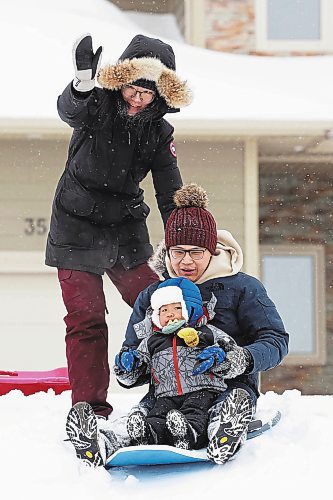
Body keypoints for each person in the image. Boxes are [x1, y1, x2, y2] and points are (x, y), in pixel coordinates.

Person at [66, 183, 288, 467]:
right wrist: (129, 367)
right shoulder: (153, 296)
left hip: (226, 389)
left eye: (196, 252)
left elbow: (275, 339)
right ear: (167, 251)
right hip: (166, 396)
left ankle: (225, 428)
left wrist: (240, 358)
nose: (186, 261)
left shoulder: (243, 288)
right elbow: (136, 349)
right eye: (178, 251)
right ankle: (103, 442)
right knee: (140, 419)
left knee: (219, 409)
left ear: (212, 250)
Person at [45, 33, 192, 422]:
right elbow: (70, 111)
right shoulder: (97, 105)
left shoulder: (159, 132)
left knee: (161, 306)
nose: (137, 98)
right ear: (120, 80)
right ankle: (90, 411)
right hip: (75, 228)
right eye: (132, 86)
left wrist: (183, 237)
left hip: (124, 230)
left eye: (147, 91)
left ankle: (179, 396)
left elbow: (169, 188)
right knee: (87, 318)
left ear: (161, 92)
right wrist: (80, 84)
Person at [117, 276, 235, 451]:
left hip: (201, 389)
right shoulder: (152, 341)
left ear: (190, 308)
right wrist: (130, 364)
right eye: (164, 310)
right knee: (158, 415)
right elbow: (142, 363)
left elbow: (228, 345)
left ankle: (188, 434)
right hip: (166, 394)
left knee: (195, 412)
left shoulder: (206, 332)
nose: (170, 313)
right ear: (156, 315)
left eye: (177, 307)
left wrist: (219, 354)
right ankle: (148, 434)